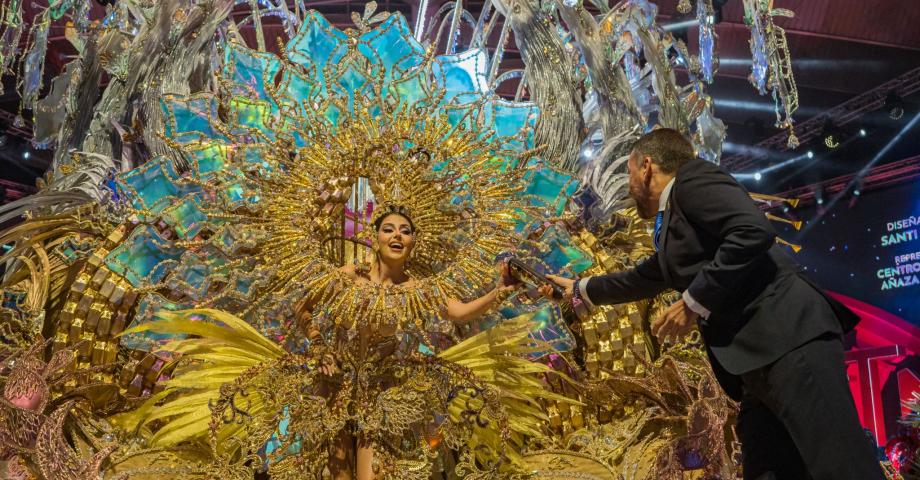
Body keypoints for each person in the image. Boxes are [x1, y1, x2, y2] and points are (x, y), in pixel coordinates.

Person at [539, 128, 883, 480]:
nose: (628, 185)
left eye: (628, 173)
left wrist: (693, 301)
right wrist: (582, 288)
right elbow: (648, 276)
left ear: (646, 166)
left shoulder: (693, 180)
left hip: (789, 340)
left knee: (844, 466)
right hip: (755, 361)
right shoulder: (674, 216)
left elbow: (752, 232)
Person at [300, 209, 520, 480]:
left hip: (381, 397)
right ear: (375, 236)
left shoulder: (417, 289)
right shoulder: (350, 275)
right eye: (389, 229)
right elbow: (304, 308)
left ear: (413, 243)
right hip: (335, 389)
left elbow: (460, 312)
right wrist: (319, 346)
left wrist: (498, 292)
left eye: (405, 231)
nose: (397, 235)